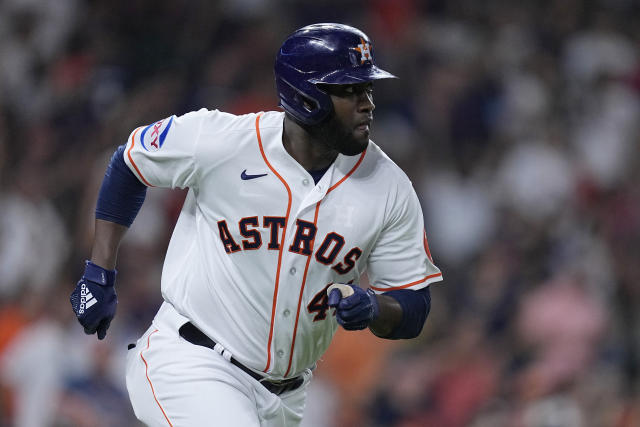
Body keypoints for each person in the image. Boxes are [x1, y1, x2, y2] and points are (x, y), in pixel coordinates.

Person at [70, 23, 443, 426]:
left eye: (366, 89)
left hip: (289, 397)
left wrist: (374, 307)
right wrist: (99, 269)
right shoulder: (223, 140)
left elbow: (414, 306)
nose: (367, 103)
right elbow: (129, 161)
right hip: (191, 362)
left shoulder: (389, 187)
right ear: (307, 96)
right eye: (349, 90)